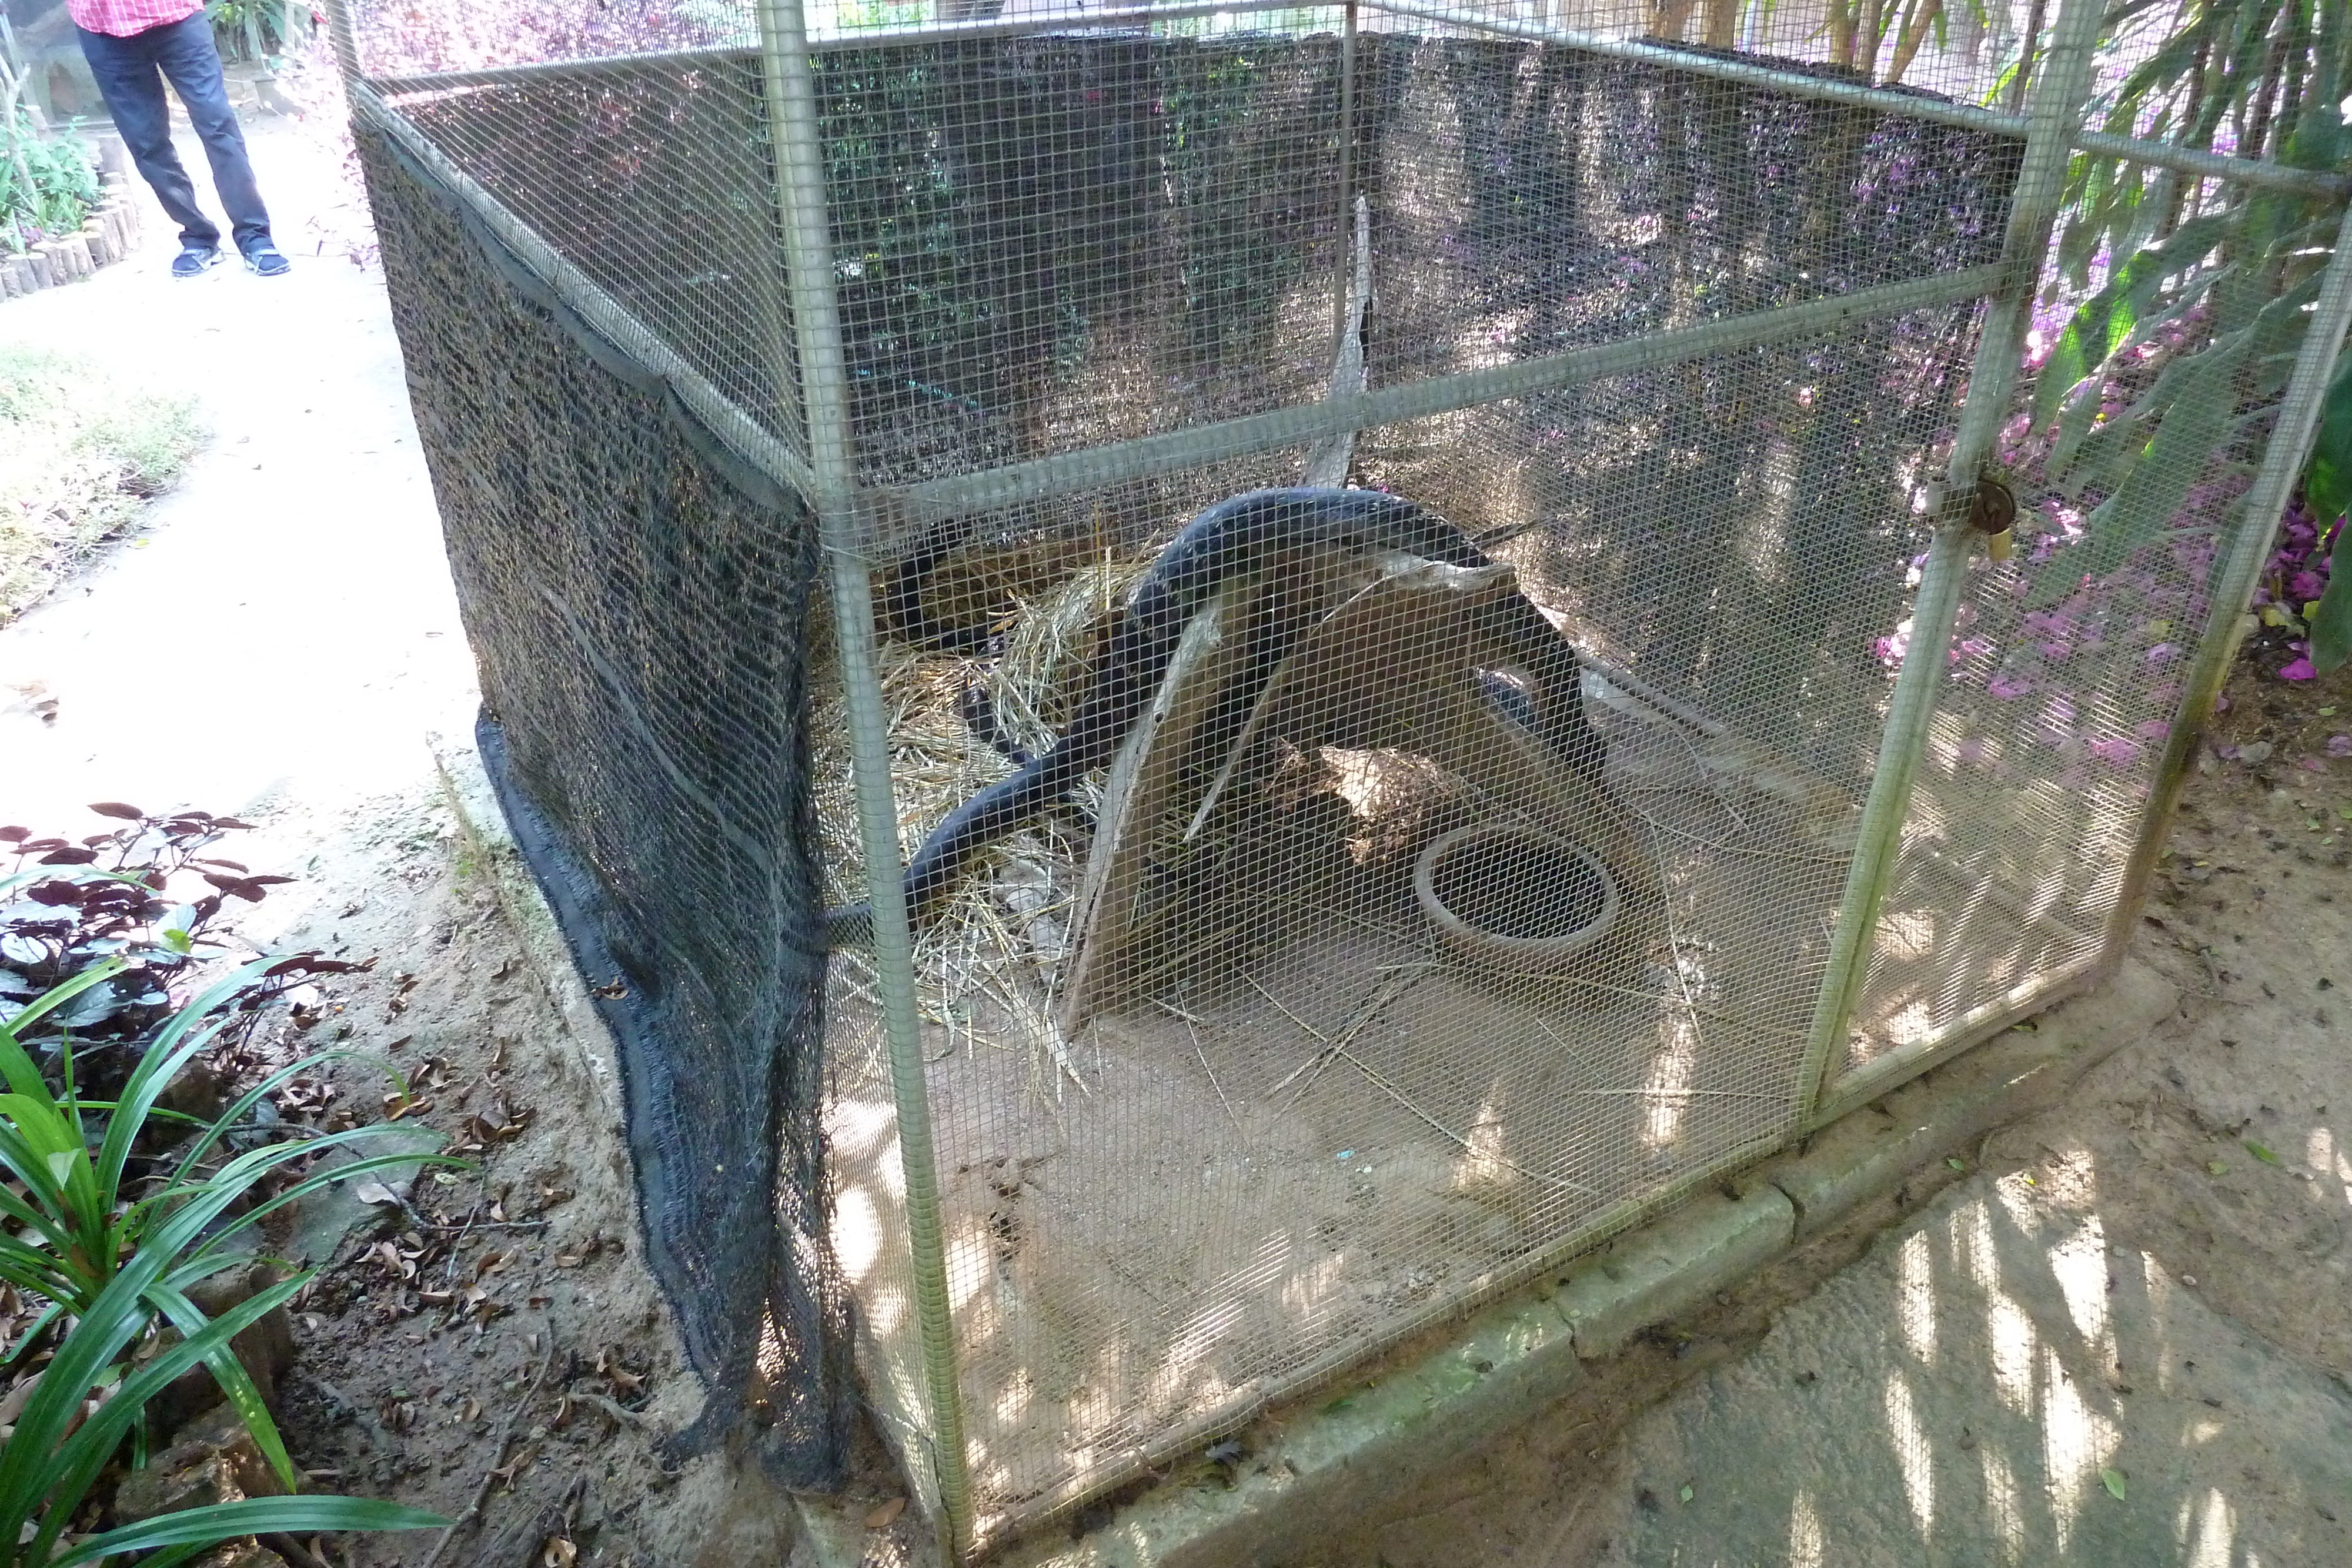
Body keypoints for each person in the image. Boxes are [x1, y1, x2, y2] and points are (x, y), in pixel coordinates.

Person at [70, 0, 289, 278]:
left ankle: (255, 237)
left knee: (218, 126)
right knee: (145, 142)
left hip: (175, 15)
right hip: (101, 28)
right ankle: (198, 236)